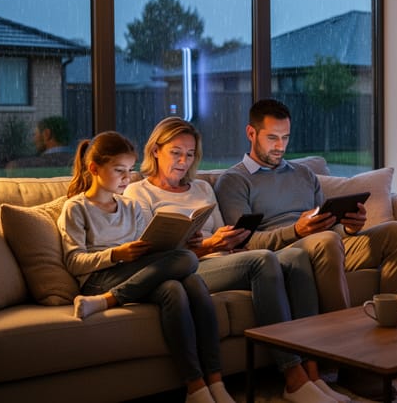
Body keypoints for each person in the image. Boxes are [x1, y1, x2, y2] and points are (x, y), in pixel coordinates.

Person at [213, 98, 397, 400]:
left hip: (326, 241)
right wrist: (296, 230)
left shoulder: (303, 174)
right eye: (272, 137)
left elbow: (328, 224)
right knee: (327, 241)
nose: (280, 146)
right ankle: (352, 363)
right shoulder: (234, 181)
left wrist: (350, 226)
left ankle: (394, 352)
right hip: (283, 255)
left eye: (286, 137)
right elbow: (244, 244)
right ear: (251, 134)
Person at [125, 117, 348, 403]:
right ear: (156, 150)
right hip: (186, 269)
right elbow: (151, 253)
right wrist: (207, 245)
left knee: (296, 256)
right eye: (176, 152)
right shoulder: (138, 192)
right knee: (264, 260)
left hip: (221, 259)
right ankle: (292, 378)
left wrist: (228, 240)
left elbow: (222, 233)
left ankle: (313, 374)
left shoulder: (202, 189)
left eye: (190, 154)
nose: (183, 161)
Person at [57, 131, 235, 403]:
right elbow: (73, 262)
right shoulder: (77, 208)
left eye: (129, 170)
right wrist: (116, 254)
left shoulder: (130, 206)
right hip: (97, 279)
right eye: (119, 171)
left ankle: (205, 384)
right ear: (94, 168)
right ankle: (104, 299)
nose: (127, 179)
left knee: (182, 285)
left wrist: (174, 240)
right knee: (187, 260)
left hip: (136, 273)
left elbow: (149, 248)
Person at [6, 115, 74, 169]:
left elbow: (13, 167)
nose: (34, 140)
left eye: (35, 134)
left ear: (46, 134)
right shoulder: (78, 164)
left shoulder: (19, 167)